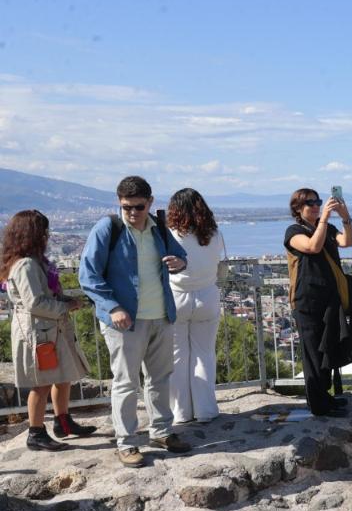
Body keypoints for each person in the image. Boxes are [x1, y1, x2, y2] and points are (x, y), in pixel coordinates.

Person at [79, 176, 190, 468]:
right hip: (124, 321)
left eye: (138, 207)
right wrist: (112, 306)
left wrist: (181, 263)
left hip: (161, 316)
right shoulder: (108, 229)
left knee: (160, 378)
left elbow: (179, 256)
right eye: (126, 207)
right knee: (126, 382)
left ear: (150, 203)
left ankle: (161, 431)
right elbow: (88, 276)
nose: (132, 213)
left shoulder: (158, 228)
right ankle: (127, 442)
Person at [1, 210, 95, 451]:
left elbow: (45, 295)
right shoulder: (25, 266)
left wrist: (64, 301)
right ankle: (35, 432)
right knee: (40, 384)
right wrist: (65, 306)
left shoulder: (34, 263)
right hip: (37, 333)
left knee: (63, 377)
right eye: (43, 231)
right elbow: (35, 303)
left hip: (49, 330)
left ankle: (63, 421)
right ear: (31, 234)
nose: (47, 236)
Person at [283, 187, 352, 418]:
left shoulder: (328, 229)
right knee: (313, 352)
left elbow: (348, 242)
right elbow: (312, 247)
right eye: (309, 203)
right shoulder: (294, 231)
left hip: (329, 298)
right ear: (298, 208)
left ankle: (327, 397)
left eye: (317, 202)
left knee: (327, 349)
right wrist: (323, 219)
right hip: (307, 300)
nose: (315, 206)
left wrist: (345, 217)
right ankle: (318, 405)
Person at [166, 188, 225, 425]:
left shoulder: (169, 235)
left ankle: (180, 412)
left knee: (177, 357)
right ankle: (206, 410)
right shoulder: (214, 234)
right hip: (207, 296)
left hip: (177, 296)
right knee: (204, 354)